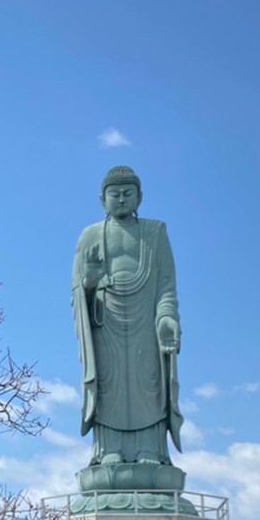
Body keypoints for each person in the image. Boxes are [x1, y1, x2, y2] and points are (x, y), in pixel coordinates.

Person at [72, 165, 183, 471]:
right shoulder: (90, 235)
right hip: (105, 322)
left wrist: (167, 318)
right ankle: (110, 449)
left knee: (148, 382)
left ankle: (150, 448)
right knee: (110, 383)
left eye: (127, 194)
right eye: (114, 194)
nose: (121, 199)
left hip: (147, 322)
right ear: (102, 200)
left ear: (140, 197)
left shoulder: (156, 232)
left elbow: (166, 284)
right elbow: (77, 293)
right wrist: (91, 283)